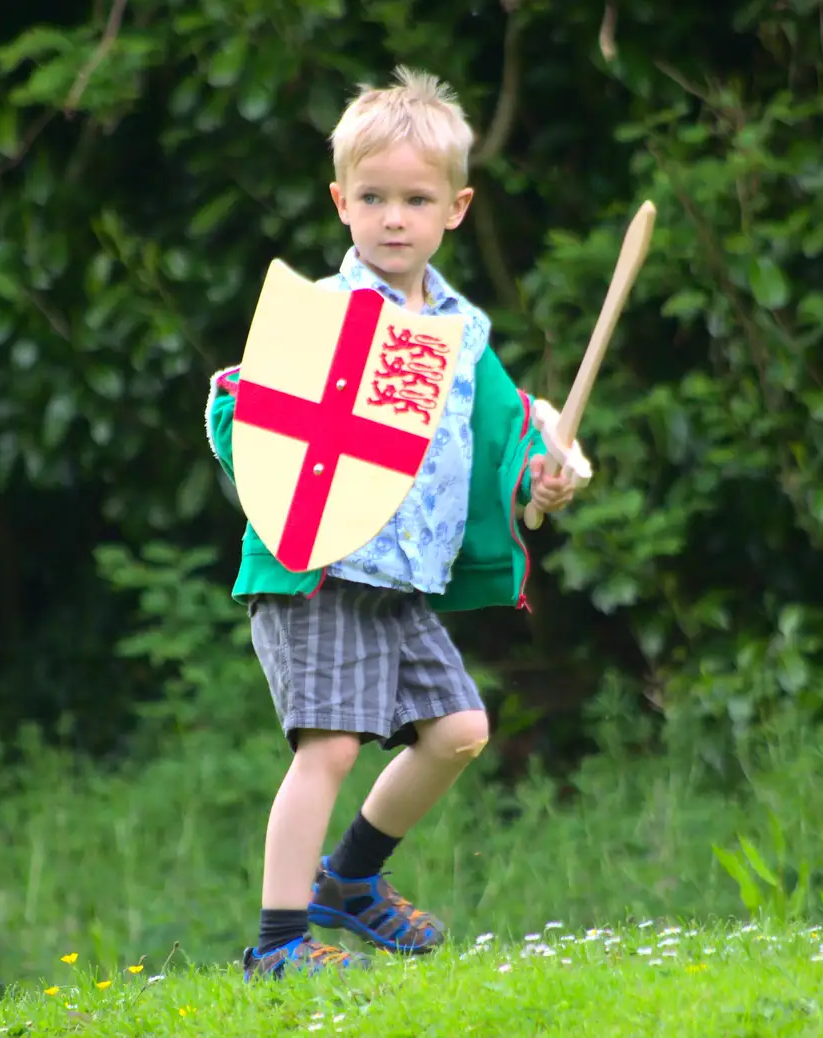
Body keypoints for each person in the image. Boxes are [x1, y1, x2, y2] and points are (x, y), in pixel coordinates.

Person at [204, 65, 578, 981]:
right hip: (322, 570)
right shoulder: (328, 316)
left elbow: (509, 430)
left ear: (456, 207)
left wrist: (550, 465)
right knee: (327, 748)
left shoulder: (461, 328)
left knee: (459, 730)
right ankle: (279, 944)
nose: (395, 218)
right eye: (374, 198)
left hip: (402, 581)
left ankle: (352, 883)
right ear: (342, 202)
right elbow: (242, 414)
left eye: (417, 199)